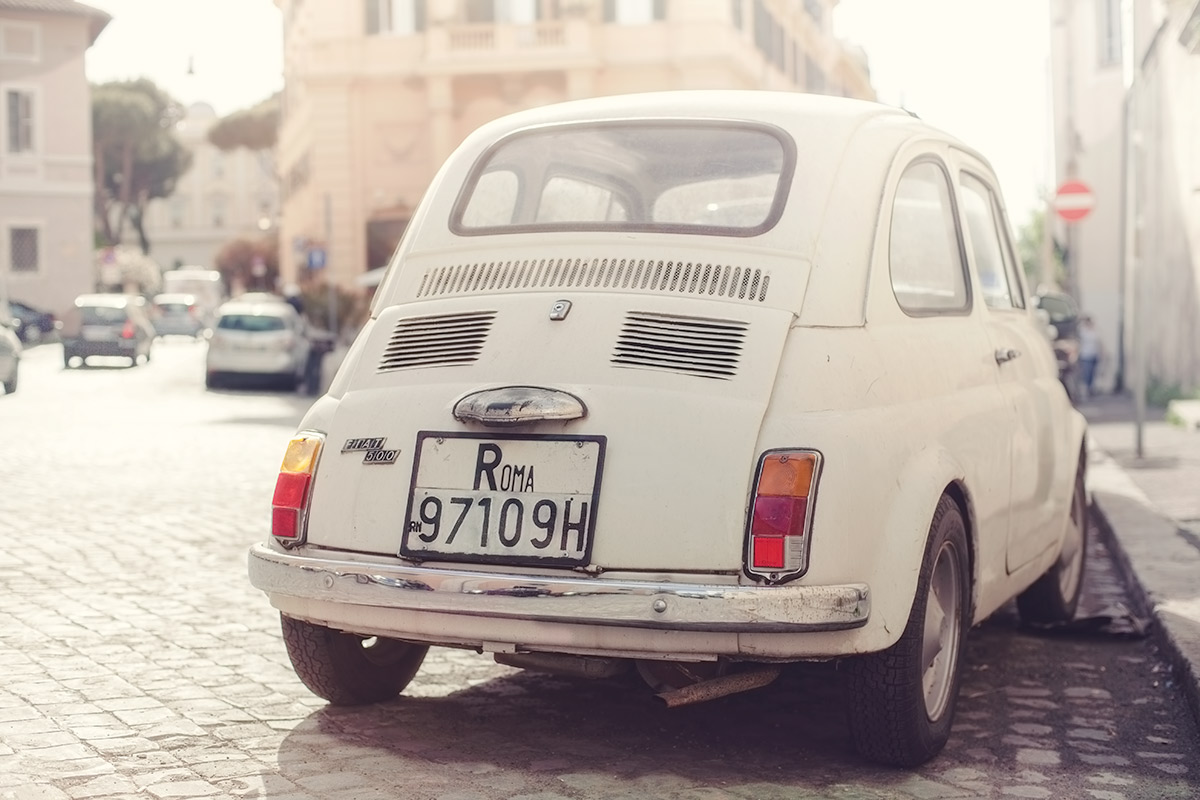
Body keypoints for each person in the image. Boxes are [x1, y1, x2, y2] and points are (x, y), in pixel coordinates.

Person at [1077, 315, 1101, 399]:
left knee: (1092, 374)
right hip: (1085, 355)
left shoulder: (1094, 331)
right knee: (1086, 373)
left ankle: (1090, 389)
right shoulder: (1082, 331)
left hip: (1094, 355)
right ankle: (1085, 391)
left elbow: (1099, 342)